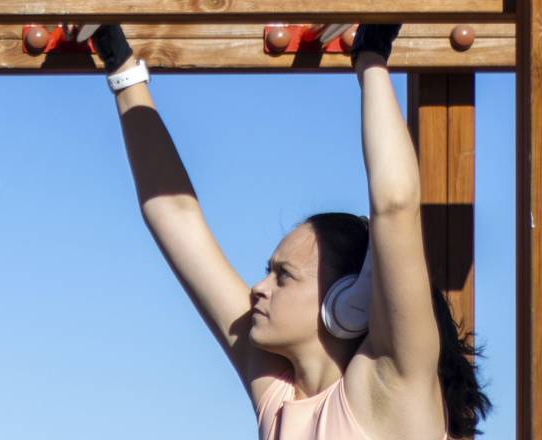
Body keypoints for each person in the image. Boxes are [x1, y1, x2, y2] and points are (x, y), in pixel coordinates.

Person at [91, 24, 490, 439]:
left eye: (284, 275)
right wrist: (122, 70)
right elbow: (174, 215)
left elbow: (394, 206)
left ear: (349, 301)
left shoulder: (391, 384)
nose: (258, 288)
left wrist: (371, 58)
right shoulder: (280, 396)